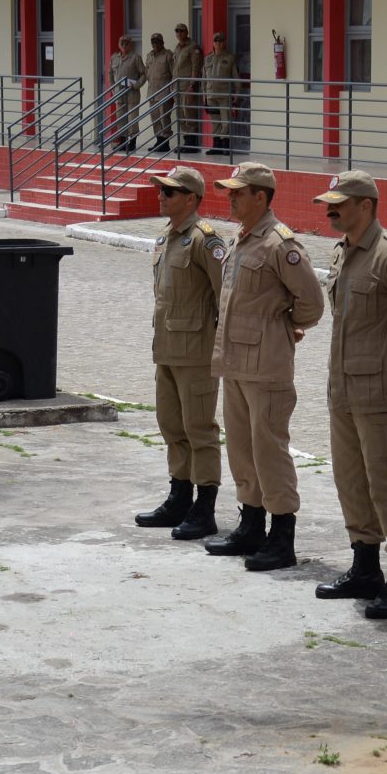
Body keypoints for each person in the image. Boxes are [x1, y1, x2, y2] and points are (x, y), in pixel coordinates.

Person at [313, 170, 387, 617]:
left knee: (386, 480)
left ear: (366, 206)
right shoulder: (344, 252)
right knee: (350, 478)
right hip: (343, 386)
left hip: (381, 389)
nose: (330, 210)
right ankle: (365, 567)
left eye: (339, 203)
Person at [204, 163, 323, 571]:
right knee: (241, 449)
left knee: (269, 451)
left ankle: (281, 536)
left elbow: (312, 302)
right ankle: (250, 525)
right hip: (235, 362)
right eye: (229, 192)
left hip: (267, 365)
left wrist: (283, 326)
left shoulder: (279, 244)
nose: (231, 198)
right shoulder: (242, 239)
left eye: (239, 192)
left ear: (261, 197)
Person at [132, 166, 226, 539]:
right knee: (171, 426)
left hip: (198, 354)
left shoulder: (206, 240)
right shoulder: (165, 240)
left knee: (199, 429)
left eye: (170, 192)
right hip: (167, 351)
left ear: (191, 198)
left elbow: (226, 299)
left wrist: (222, 352)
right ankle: (179, 496)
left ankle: (205, 507)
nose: (161, 196)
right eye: (161, 191)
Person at [204, 34, 243, 156]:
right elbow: (204, 79)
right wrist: (203, 96)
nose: (218, 43)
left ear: (224, 43)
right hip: (211, 95)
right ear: (213, 43)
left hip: (224, 95)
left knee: (225, 122)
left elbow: (236, 77)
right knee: (215, 122)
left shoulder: (230, 58)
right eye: (216, 41)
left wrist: (237, 93)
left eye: (221, 41)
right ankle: (217, 146)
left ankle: (225, 145)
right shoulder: (207, 59)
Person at [107, 33, 145, 152]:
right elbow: (110, 75)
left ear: (130, 45)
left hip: (131, 92)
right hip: (119, 93)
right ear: (119, 45)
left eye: (126, 43)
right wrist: (113, 90)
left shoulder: (136, 57)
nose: (124, 45)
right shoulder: (114, 58)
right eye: (122, 43)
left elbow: (144, 74)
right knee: (121, 118)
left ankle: (132, 142)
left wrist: (137, 85)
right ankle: (123, 142)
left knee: (132, 118)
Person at [172, 24, 204, 154]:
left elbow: (196, 67)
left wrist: (192, 85)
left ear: (186, 32)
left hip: (187, 85)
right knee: (180, 113)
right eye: (177, 31)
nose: (179, 33)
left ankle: (192, 143)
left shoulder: (193, 47)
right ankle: (186, 141)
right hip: (177, 85)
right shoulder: (178, 48)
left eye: (181, 31)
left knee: (189, 112)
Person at [142, 33, 175, 152]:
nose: (155, 44)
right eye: (153, 42)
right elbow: (147, 72)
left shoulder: (168, 55)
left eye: (157, 42)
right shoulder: (149, 55)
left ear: (162, 42)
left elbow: (174, 74)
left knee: (164, 118)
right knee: (155, 118)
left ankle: (165, 142)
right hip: (152, 92)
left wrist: (172, 91)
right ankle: (159, 140)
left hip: (164, 92)